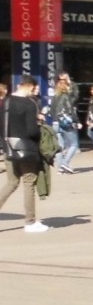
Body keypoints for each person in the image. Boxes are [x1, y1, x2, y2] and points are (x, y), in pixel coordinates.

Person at [0, 75, 49, 233]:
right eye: (35, 89)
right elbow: (32, 131)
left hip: (8, 147)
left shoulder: (6, 101)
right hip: (26, 150)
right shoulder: (29, 104)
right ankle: (30, 221)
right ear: (29, 87)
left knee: (11, 183)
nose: (36, 92)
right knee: (29, 183)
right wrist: (39, 122)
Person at [49, 71, 80, 174]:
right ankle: (65, 163)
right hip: (65, 123)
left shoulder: (54, 97)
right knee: (74, 144)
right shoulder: (66, 96)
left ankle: (60, 168)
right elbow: (70, 110)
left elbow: (51, 111)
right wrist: (77, 121)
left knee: (60, 147)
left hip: (55, 123)